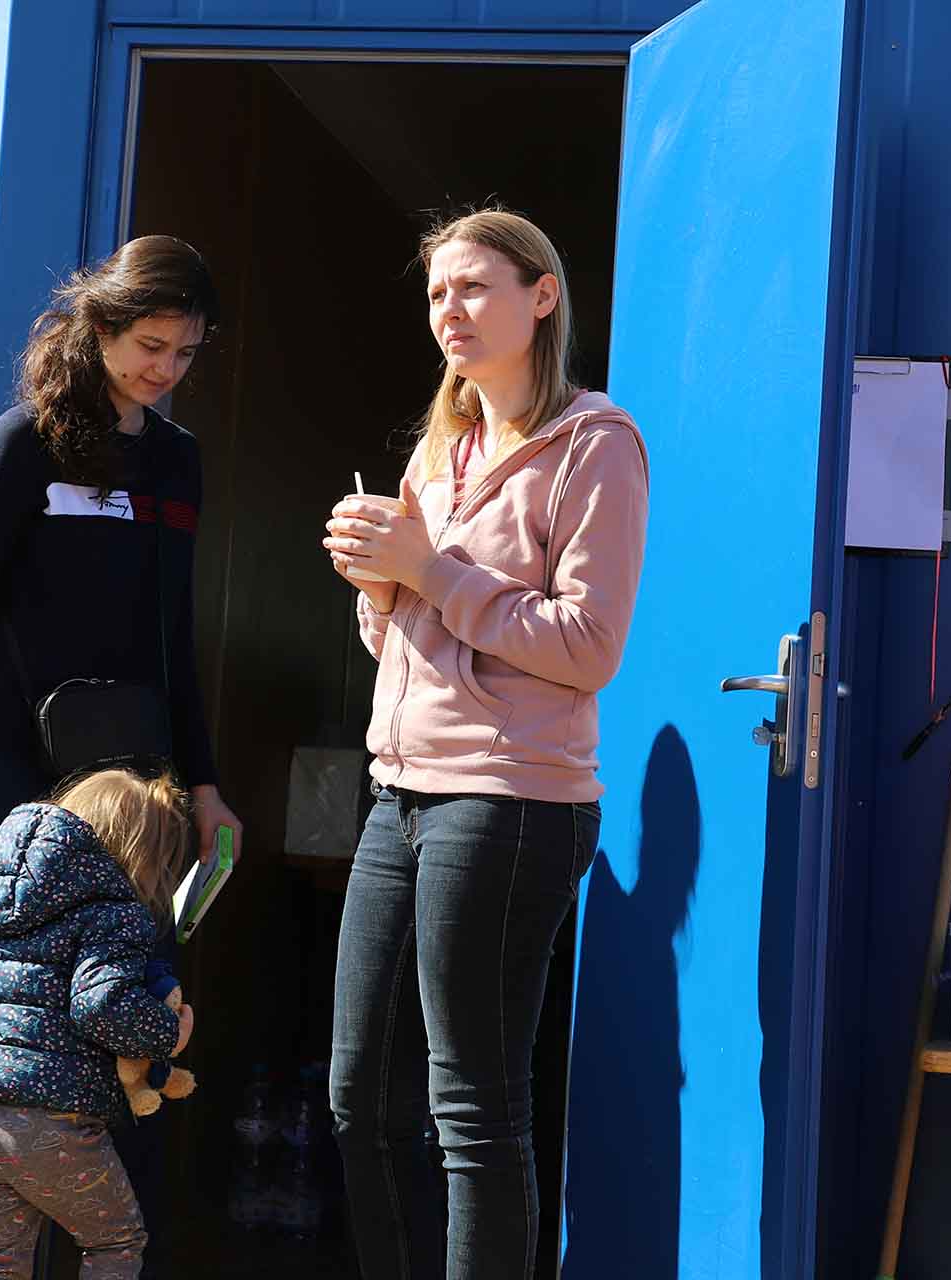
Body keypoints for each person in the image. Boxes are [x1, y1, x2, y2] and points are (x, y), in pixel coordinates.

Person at [0, 234, 242, 1278]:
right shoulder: (27, 444)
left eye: (186, 352)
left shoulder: (179, 461)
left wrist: (202, 786)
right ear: (100, 326)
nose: (165, 367)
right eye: (151, 343)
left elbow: (174, 641)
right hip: (11, 782)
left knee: (130, 1030)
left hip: (131, 796)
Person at [319, 207, 650, 1278]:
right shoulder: (439, 448)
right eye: (433, 294)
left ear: (539, 295)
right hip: (399, 787)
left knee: (472, 1102)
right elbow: (402, 638)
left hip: (509, 801)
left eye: (471, 287)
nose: (447, 311)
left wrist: (433, 572)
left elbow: (589, 644)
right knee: (354, 1089)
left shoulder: (595, 443)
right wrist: (380, 586)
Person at [0, 768, 196, 1279]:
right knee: (116, 1242)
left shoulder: (1, 908)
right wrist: (169, 1032)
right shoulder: (114, 913)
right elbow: (101, 1005)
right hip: (51, 1125)